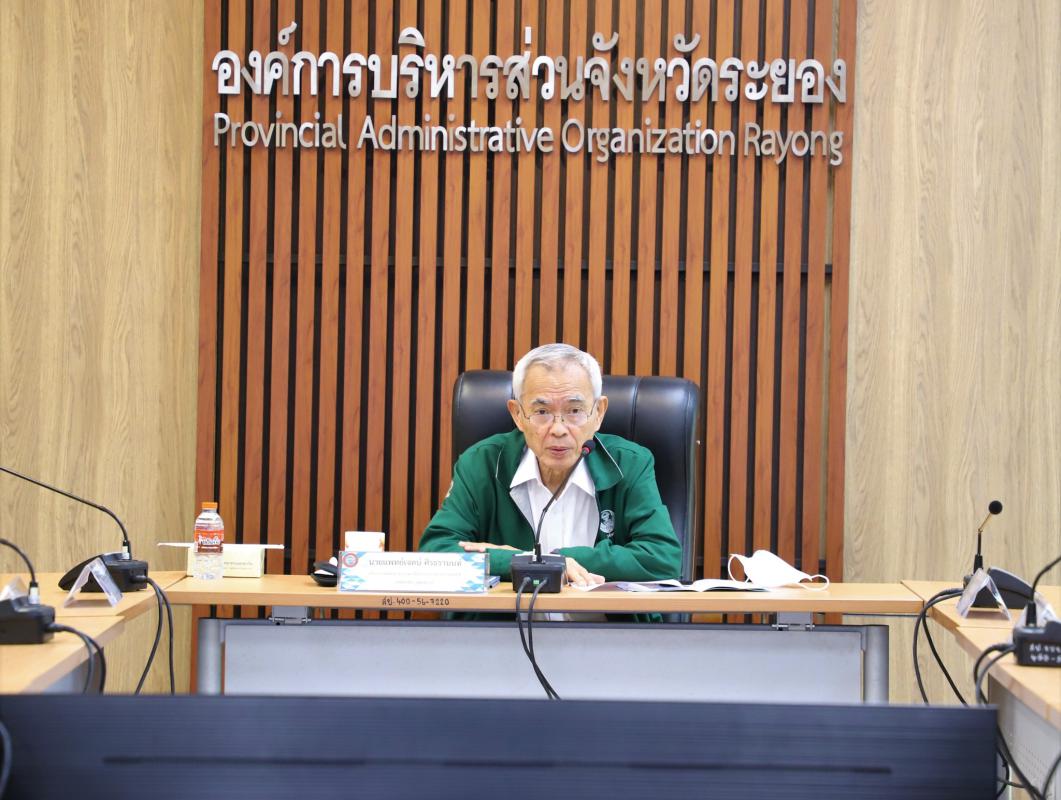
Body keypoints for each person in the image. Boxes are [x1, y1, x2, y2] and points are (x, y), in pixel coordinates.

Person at [418, 343, 681, 588]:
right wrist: (523, 562)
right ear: (518, 415)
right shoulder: (481, 463)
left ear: (598, 413)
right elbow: (435, 552)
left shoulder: (630, 463)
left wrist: (556, 560)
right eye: (542, 412)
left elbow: (663, 558)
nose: (558, 429)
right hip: (505, 621)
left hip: (604, 622)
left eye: (574, 411)